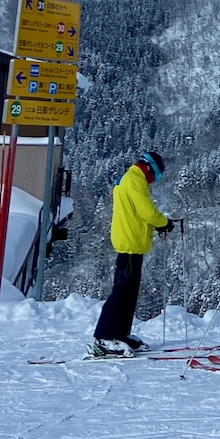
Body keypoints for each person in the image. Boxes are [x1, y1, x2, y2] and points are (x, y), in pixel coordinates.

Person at [92, 151, 174, 356]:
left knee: (129, 293)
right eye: (154, 177)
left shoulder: (130, 179)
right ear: (148, 168)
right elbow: (146, 211)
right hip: (129, 244)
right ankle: (104, 337)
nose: (153, 182)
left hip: (133, 243)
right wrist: (164, 223)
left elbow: (137, 212)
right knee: (121, 292)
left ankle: (119, 334)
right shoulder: (134, 180)